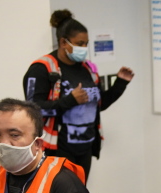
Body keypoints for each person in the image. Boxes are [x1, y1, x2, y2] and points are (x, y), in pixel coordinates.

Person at [23, 9, 134, 180]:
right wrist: (69, 101)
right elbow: (32, 110)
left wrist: (120, 83)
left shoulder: (88, 69)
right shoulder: (42, 69)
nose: (84, 48)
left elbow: (99, 104)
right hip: (57, 149)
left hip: (85, 147)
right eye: (79, 43)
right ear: (63, 42)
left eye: (86, 44)